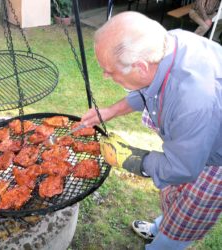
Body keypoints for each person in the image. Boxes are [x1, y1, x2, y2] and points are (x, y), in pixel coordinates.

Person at [81, 11, 222, 250]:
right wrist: (111, 111)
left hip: (216, 158)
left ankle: (164, 243)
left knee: (185, 218)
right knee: (172, 190)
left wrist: (132, 159)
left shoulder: (193, 100)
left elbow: (181, 168)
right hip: (194, 135)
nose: (105, 76)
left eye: (109, 70)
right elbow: (148, 88)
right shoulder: (166, 44)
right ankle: (159, 227)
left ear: (140, 67)